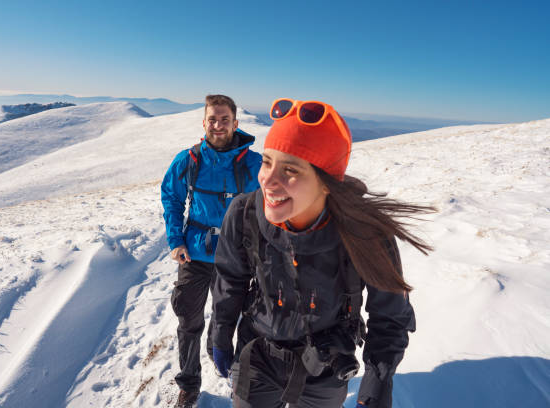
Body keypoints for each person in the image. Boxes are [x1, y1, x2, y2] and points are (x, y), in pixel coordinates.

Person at [211, 98, 434, 407]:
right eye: (266, 162)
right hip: (258, 355)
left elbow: (389, 316)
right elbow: (230, 278)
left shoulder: (364, 233)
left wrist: (377, 382)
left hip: (327, 366)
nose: (268, 181)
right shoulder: (244, 213)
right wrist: (220, 332)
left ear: (328, 183)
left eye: (290, 170)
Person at [161, 94, 262, 407]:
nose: (218, 125)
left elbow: (269, 206)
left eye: (224, 119)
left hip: (235, 257)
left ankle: (236, 377)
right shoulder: (189, 160)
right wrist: (176, 241)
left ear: (235, 123)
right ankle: (189, 384)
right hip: (194, 254)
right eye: (213, 119)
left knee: (232, 320)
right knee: (188, 320)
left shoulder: (253, 163)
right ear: (204, 123)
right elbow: (172, 199)